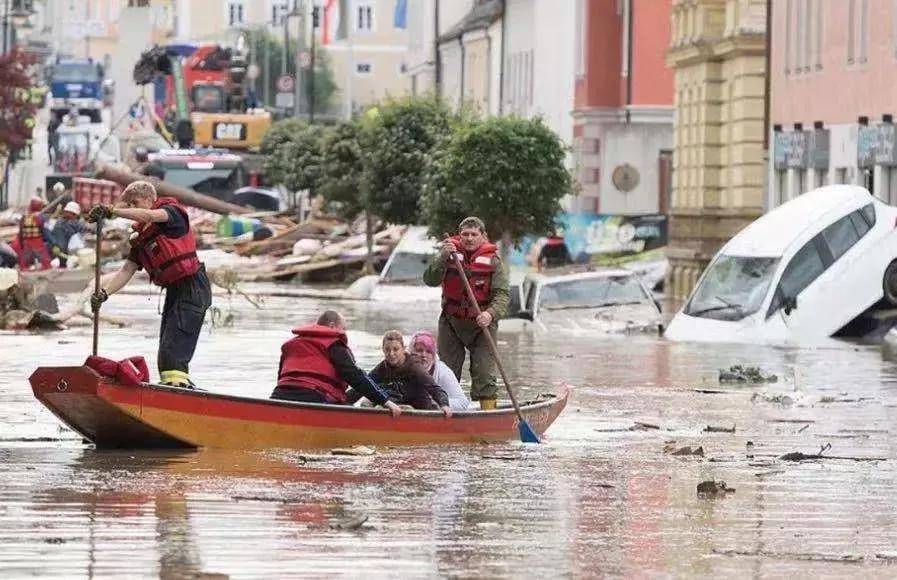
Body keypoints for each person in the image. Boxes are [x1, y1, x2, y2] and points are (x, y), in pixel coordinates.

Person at [85, 181, 212, 388]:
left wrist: (112, 211)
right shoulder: (143, 237)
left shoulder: (171, 214)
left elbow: (150, 216)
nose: (132, 209)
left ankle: (179, 392)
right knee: (165, 355)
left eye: (134, 203)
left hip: (193, 287)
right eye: (129, 205)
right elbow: (126, 271)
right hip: (175, 290)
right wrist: (104, 293)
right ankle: (174, 389)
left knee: (174, 353)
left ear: (148, 198)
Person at [423, 216, 510, 410]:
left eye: (474, 234)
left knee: (485, 374)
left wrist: (490, 314)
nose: (469, 239)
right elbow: (429, 279)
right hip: (451, 322)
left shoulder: (494, 261)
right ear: (459, 236)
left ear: (482, 236)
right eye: (465, 235)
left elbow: (502, 294)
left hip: (482, 325)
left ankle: (488, 415)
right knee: (445, 371)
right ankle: (441, 412)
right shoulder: (448, 255)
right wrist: (442, 257)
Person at [274, 310, 403, 417]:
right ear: (331, 326)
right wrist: (385, 401)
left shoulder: (291, 344)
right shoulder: (334, 345)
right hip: (313, 397)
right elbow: (355, 376)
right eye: (343, 328)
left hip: (278, 396)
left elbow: (281, 376)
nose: (344, 333)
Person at [361, 331, 451, 415]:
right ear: (383, 350)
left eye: (396, 349)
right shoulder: (382, 368)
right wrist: (346, 400)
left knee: (405, 409)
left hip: (417, 410)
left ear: (403, 349)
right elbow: (363, 385)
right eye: (387, 349)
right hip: (395, 406)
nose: (391, 354)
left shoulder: (415, 368)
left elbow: (435, 388)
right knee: (366, 402)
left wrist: (444, 405)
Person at [410, 330, 471, 411]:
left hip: (436, 410)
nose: (424, 355)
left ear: (434, 354)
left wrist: (435, 403)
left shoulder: (443, 372)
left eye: (428, 352)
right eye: (419, 350)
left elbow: (462, 403)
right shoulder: (402, 365)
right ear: (411, 352)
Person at [16, 196, 53, 270]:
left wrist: (21, 243)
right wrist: (53, 242)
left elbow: (20, 232)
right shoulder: (41, 217)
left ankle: (23, 273)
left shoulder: (24, 217)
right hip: (37, 242)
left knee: (24, 262)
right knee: (45, 261)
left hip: (26, 242)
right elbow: (46, 231)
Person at [50, 201, 89, 268]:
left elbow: (81, 228)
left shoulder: (66, 222)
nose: (75, 217)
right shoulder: (61, 224)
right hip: (62, 250)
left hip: (64, 249)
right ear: (69, 213)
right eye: (74, 214)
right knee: (63, 262)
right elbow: (61, 244)